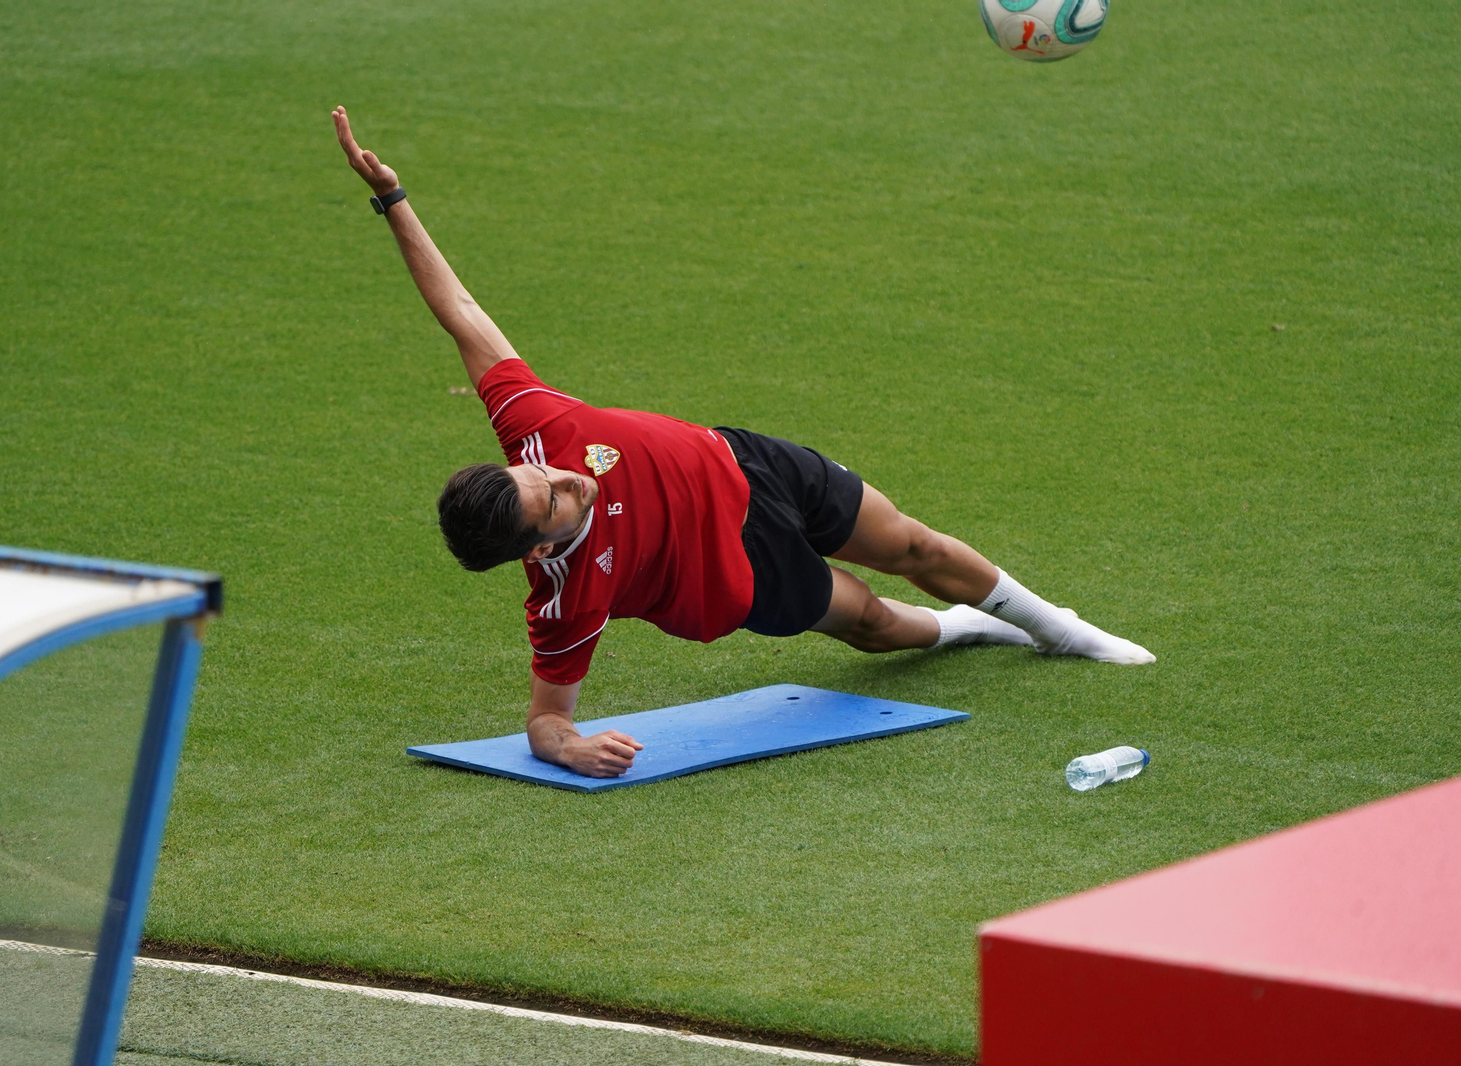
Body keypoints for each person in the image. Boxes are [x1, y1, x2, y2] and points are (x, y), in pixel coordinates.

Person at [332, 107, 1155, 779]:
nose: (564, 479)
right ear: (536, 545)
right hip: (741, 578)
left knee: (910, 543)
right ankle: (971, 628)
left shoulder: (536, 427)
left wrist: (393, 200)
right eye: (553, 502)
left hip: (750, 467)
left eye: (539, 473)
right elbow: (547, 718)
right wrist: (569, 747)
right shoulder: (564, 595)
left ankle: (1060, 629)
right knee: (871, 624)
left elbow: (462, 314)